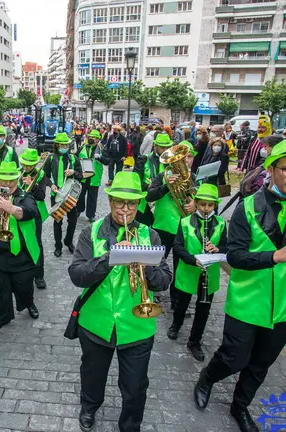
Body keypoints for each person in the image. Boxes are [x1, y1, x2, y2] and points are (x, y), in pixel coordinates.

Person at [193, 139, 286, 432]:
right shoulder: (247, 208)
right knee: (233, 358)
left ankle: (240, 406)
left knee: (260, 364)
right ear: (272, 170)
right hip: (248, 301)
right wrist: (275, 256)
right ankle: (207, 377)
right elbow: (235, 256)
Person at [69, 170, 172, 432]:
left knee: (135, 386)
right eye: (119, 202)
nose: (125, 209)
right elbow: (77, 275)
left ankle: (130, 425)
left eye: (132, 203)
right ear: (110, 201)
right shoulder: (91, 232)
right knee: (92, 374)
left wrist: (145, 264)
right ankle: (89, 407)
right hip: (96, 322)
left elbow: (164, 280)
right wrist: (111, 257)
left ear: (139, 204)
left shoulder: (151, 235)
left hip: (137, 325)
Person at [0, 161, 42, 330]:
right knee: (0, 290)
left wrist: (11, 208)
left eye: (11, 180)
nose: (7, 183)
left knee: (25, 287)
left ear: (17, 179)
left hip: (23, 255)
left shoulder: (26, 196)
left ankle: (28, 303)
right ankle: (3, 316)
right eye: (4, 180)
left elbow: (31, 212)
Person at [168, 184, 228, 361]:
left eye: (210, 205)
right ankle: (175, 325)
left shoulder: (221, 223)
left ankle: (195, 341)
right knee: (182, 304)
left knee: (203, 309)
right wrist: (192, 259)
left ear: (215, 205)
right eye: (202, 204)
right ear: (196, 203)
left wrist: (217, 249)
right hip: (189, 270)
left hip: (209, 273)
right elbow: (177, 246)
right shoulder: (185, 222)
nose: (206, 209)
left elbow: (227, 246)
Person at [147, 140, 197, 310]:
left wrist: (195, 204)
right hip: (163, 226)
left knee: (180, 266)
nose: (186, 161)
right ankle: (152, 292)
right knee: (155, 261)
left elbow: (205, 201)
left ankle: (177, 301)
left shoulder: (194, 178)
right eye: (184, 157)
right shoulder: (162, 176)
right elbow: (149, 196)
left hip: (184, 228)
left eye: (189, 157)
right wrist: (166, 186)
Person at [19, 149, 51, 290]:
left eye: (29, 164)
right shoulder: (18, 172)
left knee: (37, 243)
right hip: (20, 210)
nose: (26, 167)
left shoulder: (41, 175)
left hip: (35, 213)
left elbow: (42, 196)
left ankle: (39, 276)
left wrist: (32, 185)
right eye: (24, 164)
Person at [49, 133, 83, 257]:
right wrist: (51, 184)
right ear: (57, 145)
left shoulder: (73, 158)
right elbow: (44, 176)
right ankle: (58, 246)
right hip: (56, 194)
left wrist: (73, 172)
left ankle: (68, 241)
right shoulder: (51, 158)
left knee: (72, 220)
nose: (65, 147)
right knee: (57, 221)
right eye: (62, 145)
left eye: (67, 145)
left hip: (70, 195)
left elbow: (81, 175)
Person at [136, 133, 173, 228]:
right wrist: (148, 186)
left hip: (164, 207)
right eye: (162, 147)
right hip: (145, 205)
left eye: (168, 147)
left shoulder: (172, 162)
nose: (165, 150)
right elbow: (135, 182)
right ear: (155, 146)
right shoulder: (143, 160)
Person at [77, 129, 110, 223]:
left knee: (92, 198)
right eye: (90, 137)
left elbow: (107, 161)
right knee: (80, 195)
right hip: (83, 176)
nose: (91, 138)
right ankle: (79, 210)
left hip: (94, 178)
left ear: (98, 139)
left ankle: (91, 214)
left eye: (94, 137)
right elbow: (75, 157)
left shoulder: (101, 149)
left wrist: (100, 157)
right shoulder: (82, 146)